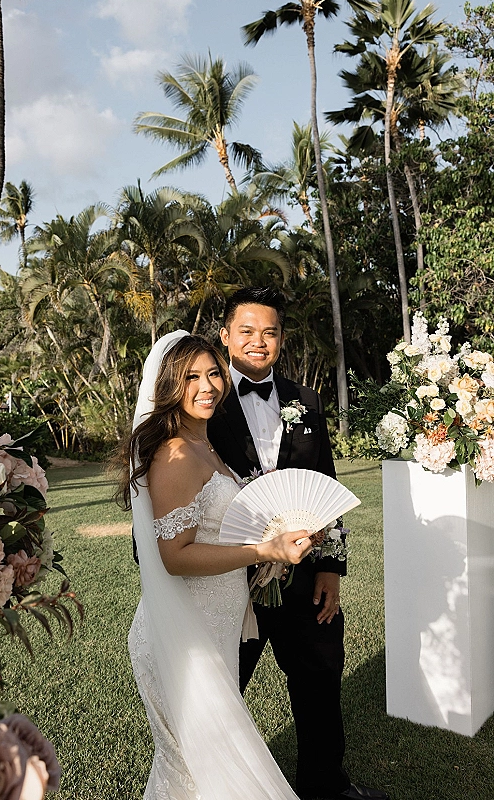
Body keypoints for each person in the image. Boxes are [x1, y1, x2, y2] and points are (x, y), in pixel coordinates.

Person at [207, 287, 389, 800]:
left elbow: (325, 485)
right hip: (230, 576)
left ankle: (326, 786)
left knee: (320, 680)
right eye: (246, 331)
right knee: (221, 688)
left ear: (282, 339)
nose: (258, 342)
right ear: (225, 336)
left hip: (306, 572)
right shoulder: (201, 401)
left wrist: (331, 567)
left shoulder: (305, 401)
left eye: (270, 332)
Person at [124, 330, 316, 800]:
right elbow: (175, 556)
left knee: (198, 769)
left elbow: (211, 528)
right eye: (191, 377)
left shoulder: (204, 444)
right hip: (181, 636)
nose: (207, 385)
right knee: (198, 768)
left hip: (214, 627)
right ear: (169, 384)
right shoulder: (174, 454)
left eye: (213, 373)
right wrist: (263, 552)